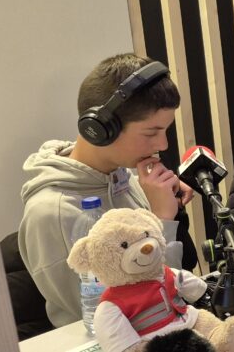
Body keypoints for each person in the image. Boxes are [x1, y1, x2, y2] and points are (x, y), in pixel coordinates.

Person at [18, 53, 197, 327]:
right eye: (151, 133)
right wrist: (161, 221)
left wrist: (163, 208)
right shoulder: (51, 213)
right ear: (99, 129)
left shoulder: (124, 179)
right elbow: (122, 316)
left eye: (165, 131)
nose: (163, 145)